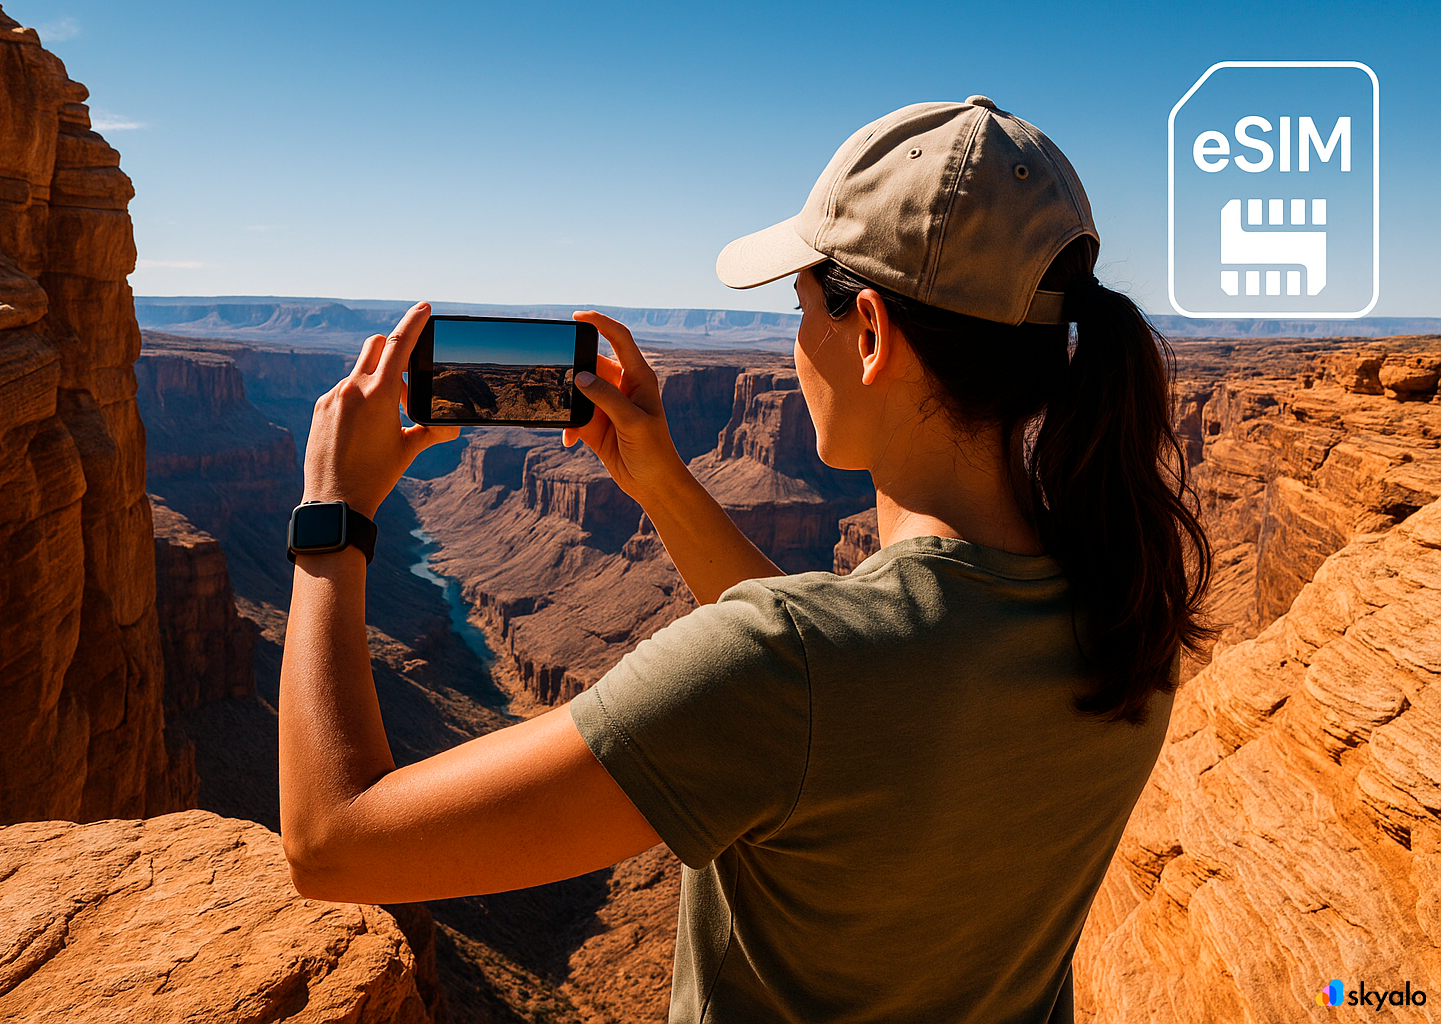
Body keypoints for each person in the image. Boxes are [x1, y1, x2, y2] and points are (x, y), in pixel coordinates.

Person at [278, 97, 1213, 1023]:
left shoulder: (783, 672)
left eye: (800, 306)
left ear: (871, 333)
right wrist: (661, 482)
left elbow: (333, 844)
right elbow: (850, 686)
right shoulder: (1128, 611)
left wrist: (335, 513)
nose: (793, 344)